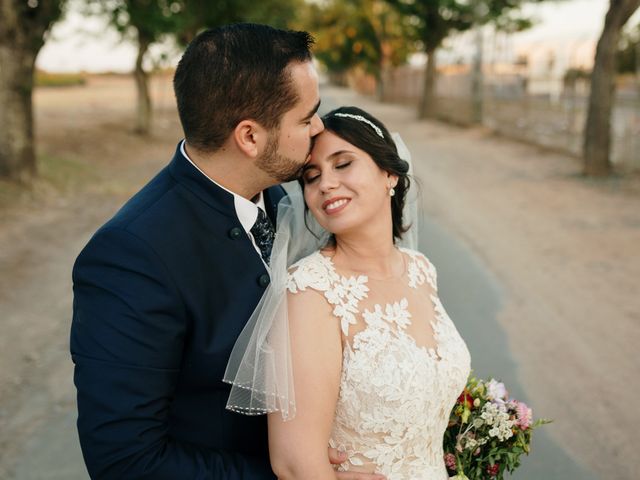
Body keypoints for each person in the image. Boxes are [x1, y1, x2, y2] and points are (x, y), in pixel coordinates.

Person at [71, 24, 381, 480]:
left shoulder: (279, 200)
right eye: (306, 117)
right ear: (250, 138)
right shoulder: (130, 257)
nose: (319, 128)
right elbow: (124, 461)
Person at [224, 106, 472, 479]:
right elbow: (294, 463)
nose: (325, 184)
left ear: (389, 172)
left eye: (343, 164)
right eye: (311, 176)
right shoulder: (311, 291)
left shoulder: (421, 269)